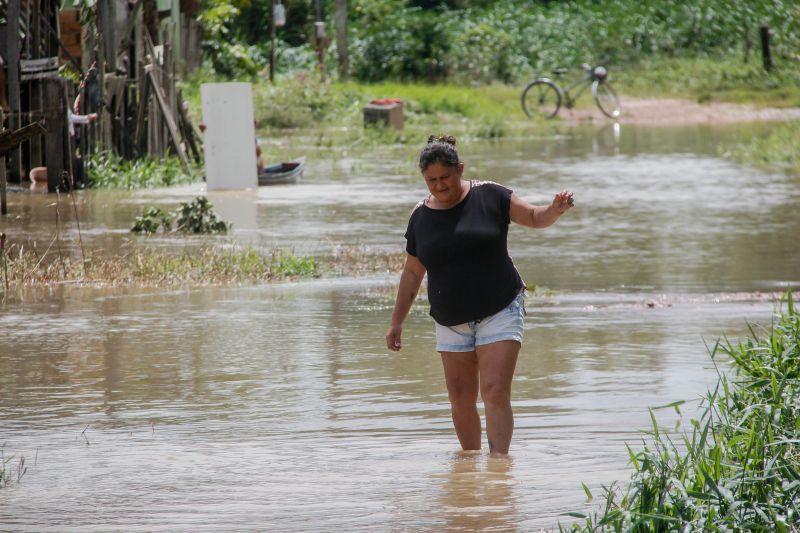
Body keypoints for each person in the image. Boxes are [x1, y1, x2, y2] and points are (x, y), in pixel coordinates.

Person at [385, 135, 574, 457]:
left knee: (495, 391)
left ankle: (499, 469)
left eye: (446, 177)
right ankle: (470, 468)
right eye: (431, 180)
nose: (440, 186)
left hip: (499, 307)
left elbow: (532, 217)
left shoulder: (490, 195)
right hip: (450, 319)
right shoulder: (421, 216)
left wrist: (553, 210)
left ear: (460, 169)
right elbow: (413, 272)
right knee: (460, 398)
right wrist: (396, 322)